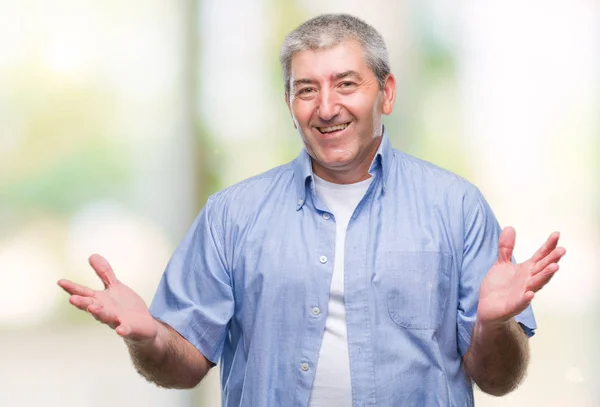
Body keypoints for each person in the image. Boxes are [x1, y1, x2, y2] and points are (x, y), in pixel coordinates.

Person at [58, 14, 566, 406]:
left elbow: (497, 379)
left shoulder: (457, 208)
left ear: (385, 93)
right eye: (307, 89)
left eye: (346, 83)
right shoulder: (231, 216)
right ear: (290, 103)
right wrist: (148, 338)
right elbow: (183, 367)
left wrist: (491, 325)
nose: (326, 108)